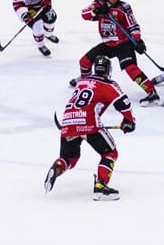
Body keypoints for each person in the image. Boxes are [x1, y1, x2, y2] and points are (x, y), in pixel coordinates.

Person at [44, 54, 135, 200]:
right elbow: (123, 103)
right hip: (89, 124)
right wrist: (129, 121)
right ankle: (101, 186)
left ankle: (59, 165)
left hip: (68, 122)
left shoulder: (82, 82)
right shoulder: (109, 84)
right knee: (110, 154)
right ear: (108, 70)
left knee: (69, 158)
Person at [78, 0, 161, 104]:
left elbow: (133, 25)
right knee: (84, 62)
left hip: (123, 44)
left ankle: (151, 92)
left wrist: (138, 40)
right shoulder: (99, 4)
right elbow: (84, 14)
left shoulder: (124, 7)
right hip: (107, 44)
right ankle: (85, 84)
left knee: (131, 69)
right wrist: (97, 11)